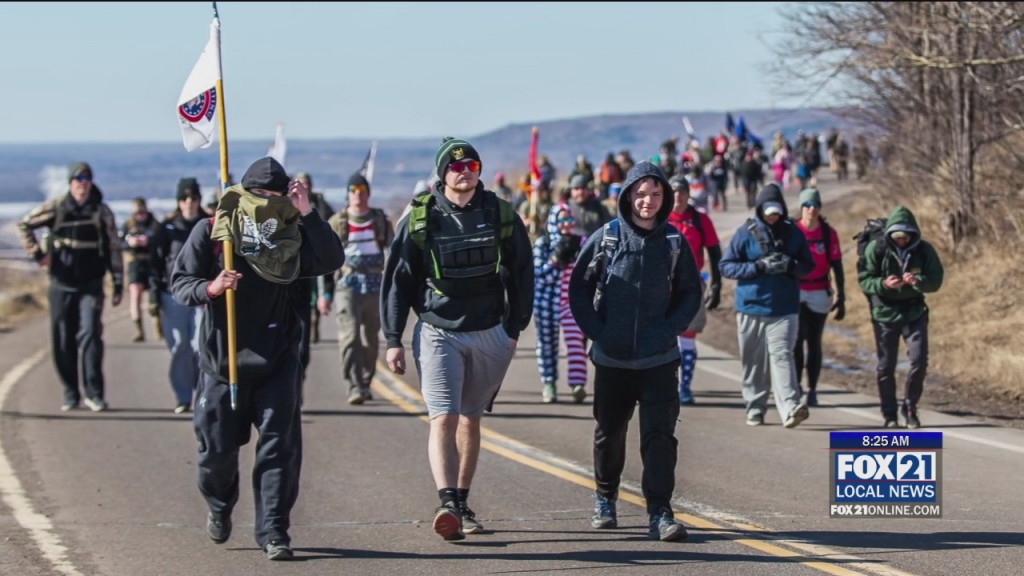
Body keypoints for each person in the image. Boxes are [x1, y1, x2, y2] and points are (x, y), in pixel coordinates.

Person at [170, 157, 344, 561]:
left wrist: (308, 214)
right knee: (216, 452)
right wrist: (211, 288)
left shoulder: (292, 232)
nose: (266, 202)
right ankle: (219, 504)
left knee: (279, 447)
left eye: (275, 196)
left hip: (277, 357)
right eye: (258, 194)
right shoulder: (215, 230)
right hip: (222, 360)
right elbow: (180, 284)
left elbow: (331, 259)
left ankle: (274, 531)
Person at [381, 137, 533, 541]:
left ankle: (462, 503)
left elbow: (522, 273)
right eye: (455, 166)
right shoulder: (421, 218)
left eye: (471, 166)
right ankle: (446, 502)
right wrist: (393, 338)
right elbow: (398, 280)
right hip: (437, 332)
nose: (464, 172)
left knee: (471, 416)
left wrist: (514, 329)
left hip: (490, 331)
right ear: (442, 173)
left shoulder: (500, 215)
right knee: (444, 415)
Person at [568, 161, 702, 542]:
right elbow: (579, 287)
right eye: (641, 194)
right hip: (612, 359)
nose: (648, 201)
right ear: (627, 196)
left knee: (660, 437)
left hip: (659, 358)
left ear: (666, 198)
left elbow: (691, 291)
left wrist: (669, 328)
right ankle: (605, 498)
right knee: (609, 434)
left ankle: (660, 511)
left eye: (656, 194)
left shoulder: (674, 242)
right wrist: (598, 331)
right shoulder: (607, 237)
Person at [17, 161, 124, 412]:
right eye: (78, 179)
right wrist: (37, 255)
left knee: (90, 335)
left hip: (91, 283)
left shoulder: (101, 211)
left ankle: (94, 393)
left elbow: (113, 247)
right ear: (70, 183)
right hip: (61, 282)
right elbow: (25, 225)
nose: (82, 184)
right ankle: (70, 392)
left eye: (86, 179)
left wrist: (118, 282)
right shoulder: (57, 207)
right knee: (63, 338)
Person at [719, 183, 815, 428]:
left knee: (782, 356)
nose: (773, 216)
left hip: (784, 309)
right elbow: (726, 266)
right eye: (768, 211)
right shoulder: (745, 233)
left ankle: (791, 408)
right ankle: (755, 407)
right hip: (751, 307)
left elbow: (808, 266)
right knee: (753, 362)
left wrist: (791, 265)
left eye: (777, 211)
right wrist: (757, 267)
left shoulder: (793, 233)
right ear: (760, 210)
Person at [858, 205, 943, 428]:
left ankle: (910, 407)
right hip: (885, 314)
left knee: (919, 361)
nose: (902, 241)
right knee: (886, 366)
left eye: (906, 236)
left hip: (914, 312)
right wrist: (884, 284)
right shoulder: (877, 249)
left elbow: (936, 281)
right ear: (890, 235)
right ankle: (889, 415)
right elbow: (864, 279)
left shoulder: (924, 250)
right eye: (897, 236)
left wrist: (919, 281)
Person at [327, 172, 394, 405]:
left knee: (370, 338)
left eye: (362, 191)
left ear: (368, 194)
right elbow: (325, 260)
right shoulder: (337, 222)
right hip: (347, 285)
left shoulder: (380, 221)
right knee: (350, 336)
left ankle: (366, 382)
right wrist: (325, 294)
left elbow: (393, 254)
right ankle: (353, 385)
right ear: (348, 194)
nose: (358, 195)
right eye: (353, 190)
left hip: (375, 284)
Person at [149, 178, 209, 414]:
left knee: (200, 346)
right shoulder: (167, 229)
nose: (189, 203)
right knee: (180, 346)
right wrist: (153, 296)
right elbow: (155, 264)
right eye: (185, 199)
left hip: (202, 294)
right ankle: (183, 397)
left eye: (193, 198)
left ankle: (203, 394)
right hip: (172, 295)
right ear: (178, 202)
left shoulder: (209, 225)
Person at [667, 176, 722, 405]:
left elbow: (715, 252)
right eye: (674, 192)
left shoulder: (700, 220)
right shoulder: (660, 219)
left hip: (691, 285)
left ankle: (685, 386)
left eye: (682, 192)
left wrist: (717, 284)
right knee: (662, 338)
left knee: (687, 336)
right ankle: (662, 386)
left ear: (689, 195)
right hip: (661, 286)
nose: (678, 196)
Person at [793, 188, 845, 407]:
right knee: (796, 342)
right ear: (801, 208)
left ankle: (812, 389)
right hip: (795, 291)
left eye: (815, 206)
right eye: (807, 205)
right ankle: (796, 387)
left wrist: (842, 295)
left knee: (814, 342)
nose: (811, 210)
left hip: (819, 291)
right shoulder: (793, 231)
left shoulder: (827, 233)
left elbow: (837, 265)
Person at [121, 197, 161, 342]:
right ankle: (139, 330)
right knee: (135, 293)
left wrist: (149, 241)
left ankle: (158, 326)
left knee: (154, 295)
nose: (140, 215)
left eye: (142, 212)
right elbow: (120, 242)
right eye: (137, 212)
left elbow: (162, 241)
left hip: (151, 261)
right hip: (135, 262)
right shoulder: (128, 225)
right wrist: (130, 242)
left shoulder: (154, 224)